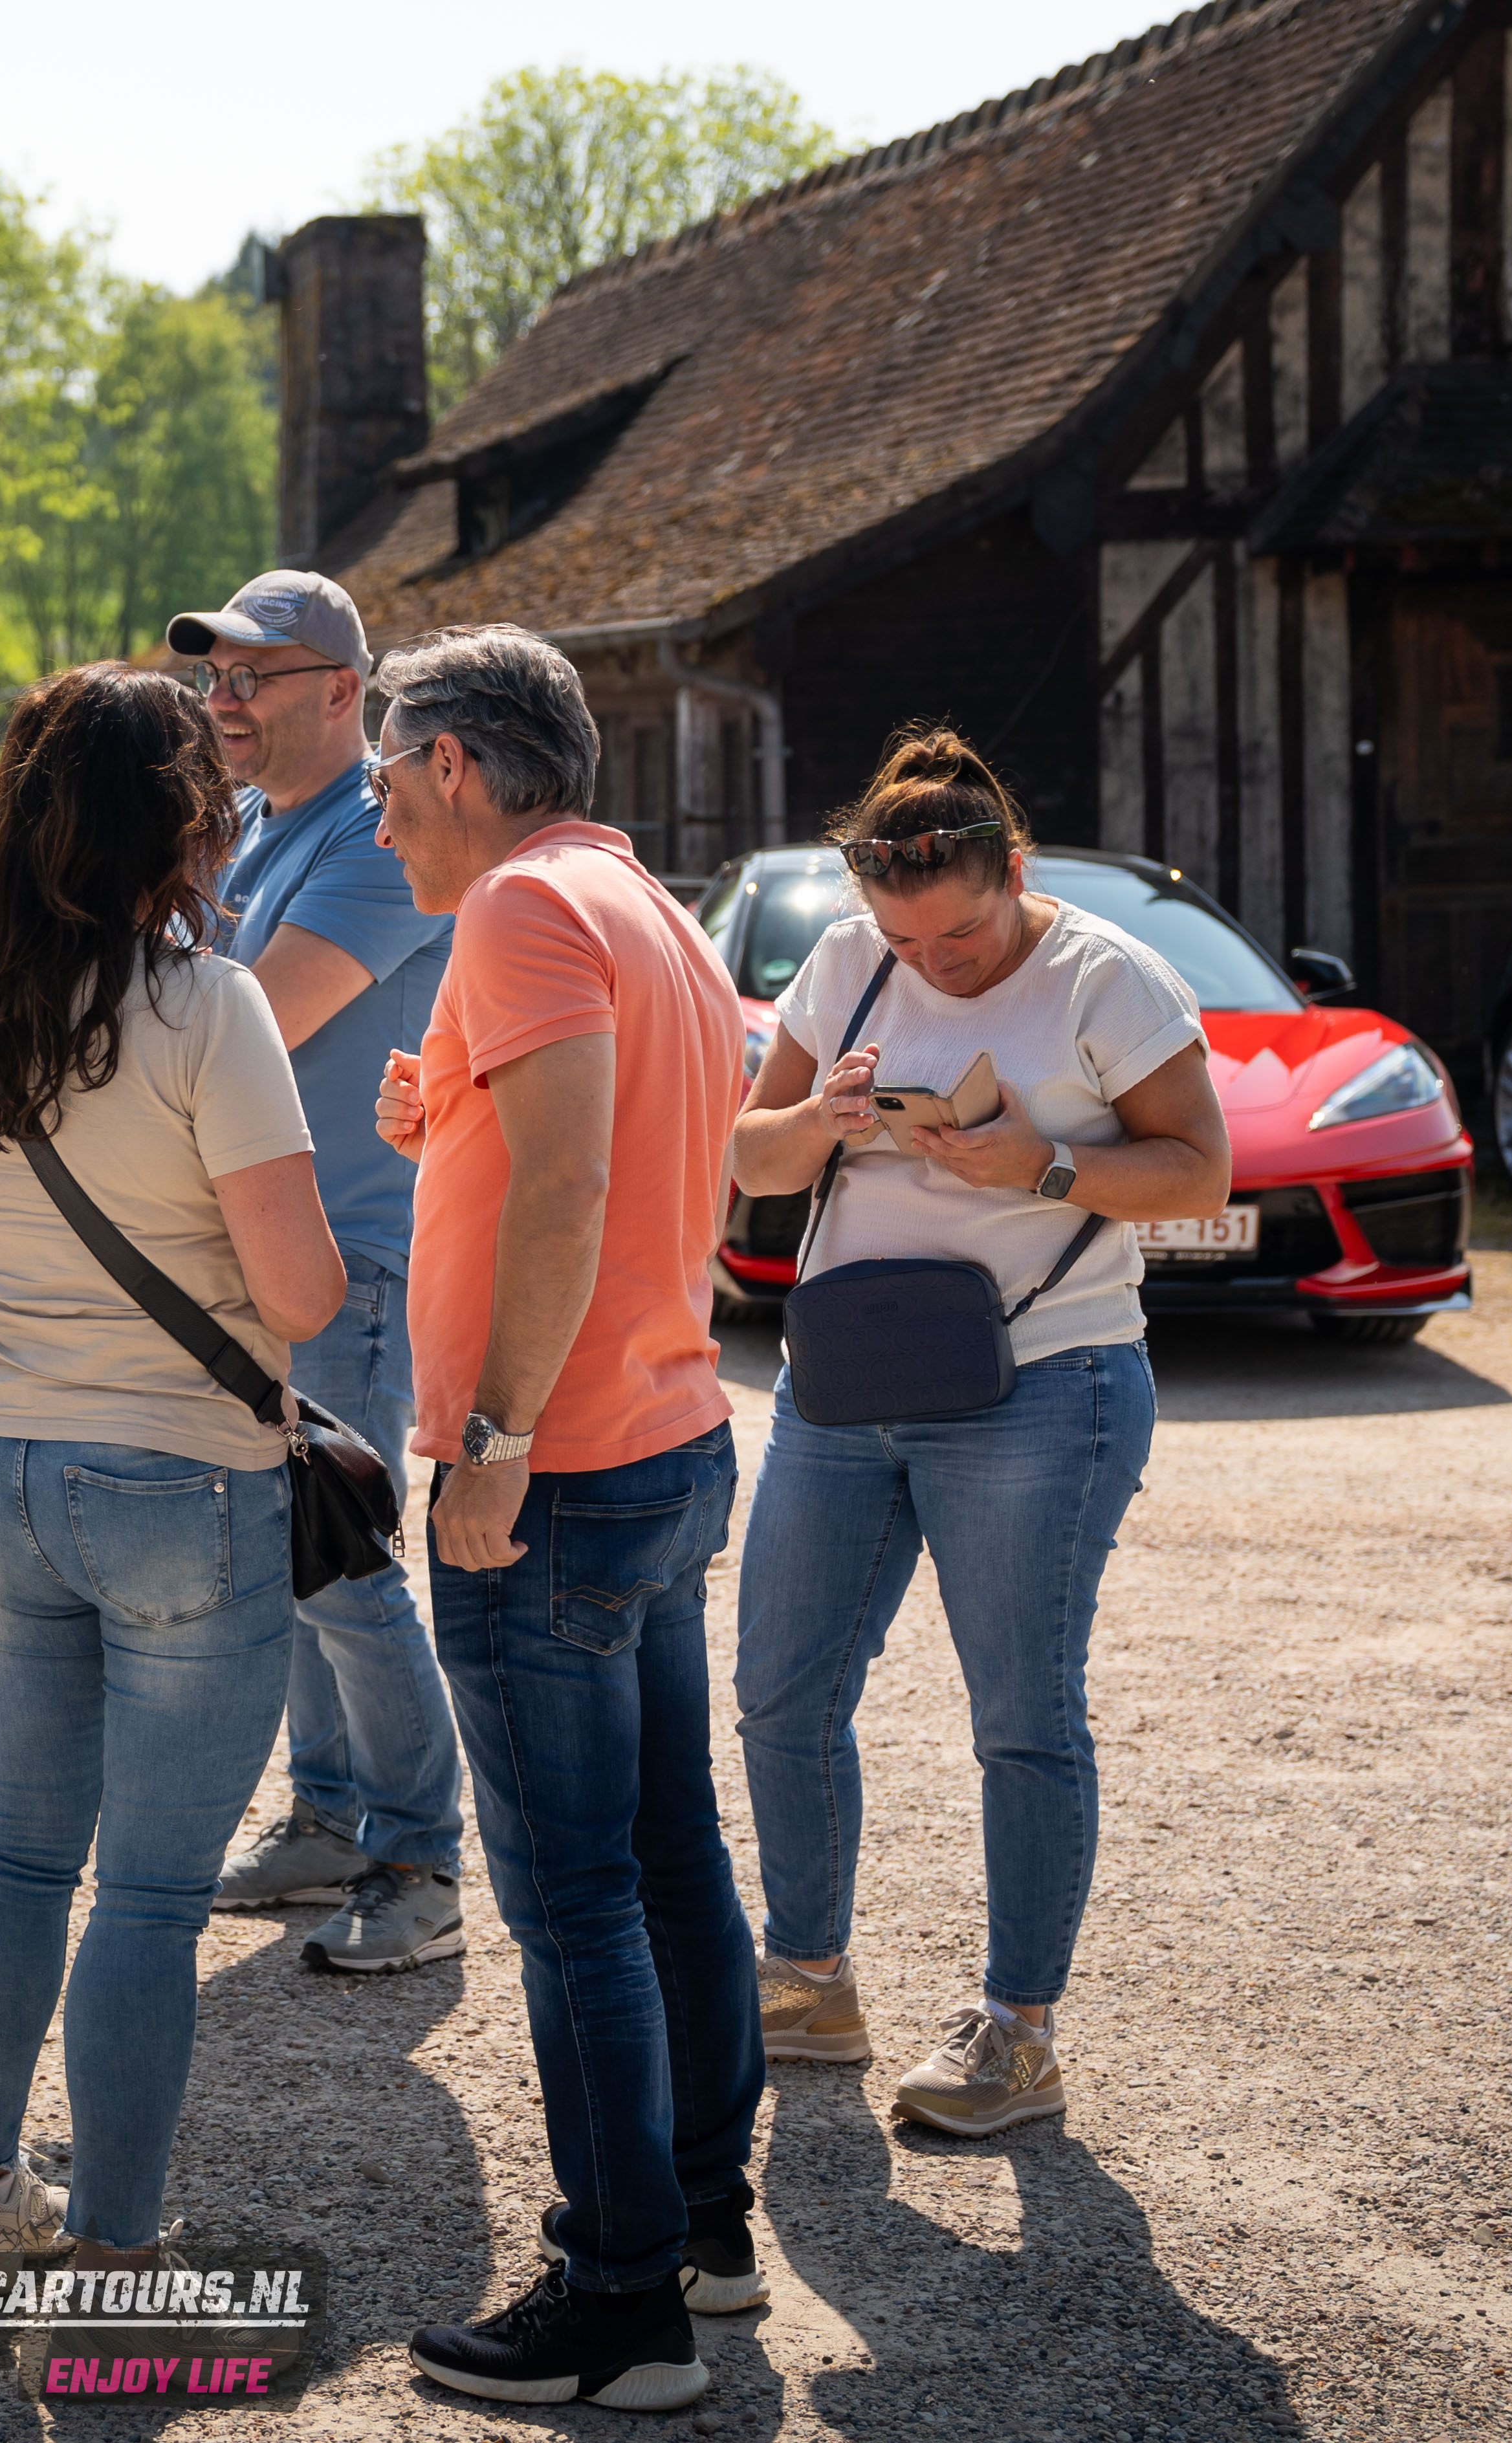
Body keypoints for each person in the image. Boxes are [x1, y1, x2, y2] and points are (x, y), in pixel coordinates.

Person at [0, 661, 345, 2264]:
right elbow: (301, 1296)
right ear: (185, 825)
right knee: (147, 1896)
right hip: (178, 1472)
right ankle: (114, 2256)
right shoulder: (207, 1006)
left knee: (19, 1846)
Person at [725, 727, 1227, 2138]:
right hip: (847, 1377)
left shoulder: (1107, 977)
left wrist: (1043, 1164)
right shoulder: (844, 959)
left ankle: (1019, 2033)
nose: (933, 963)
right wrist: (819, 1122)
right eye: (906, 940)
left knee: (1019, 1717)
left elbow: (1201, 1171)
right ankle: (807, 1980)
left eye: (959, 935)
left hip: (1043, 1383)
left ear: (1014, 869)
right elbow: (747, 1156)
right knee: (778, 1691)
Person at [368, 626, 764, 2414]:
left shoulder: (520, 906)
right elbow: (641, 1143)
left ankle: (618, 2306)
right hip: (662, 1433)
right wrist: (444, 1113)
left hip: (564, 1463)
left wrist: (496, 1437)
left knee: (577, 1899)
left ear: (454, 762)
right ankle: (700, 2229)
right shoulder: (645, 903)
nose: (380, 814)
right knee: (670, 1863)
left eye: (390, 775)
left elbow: (574, 1179)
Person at [166, 571, 466, 1977]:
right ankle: (330, 1815)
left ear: (343, 690)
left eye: (255, 675)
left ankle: (420, 1859)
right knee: (291, 1551)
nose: (224, 699)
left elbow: (253, 1024)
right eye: (214, 675)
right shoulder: (251, 824)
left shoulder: (374, 834)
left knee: (341, 1559)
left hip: (346, 1252)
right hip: (265, 1242)